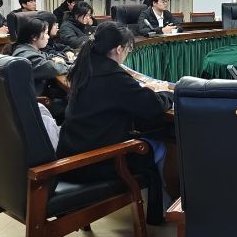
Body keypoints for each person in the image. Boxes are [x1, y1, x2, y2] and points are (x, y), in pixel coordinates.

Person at [57, 22, 173, 224]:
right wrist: (164, 92)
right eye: (128, 49)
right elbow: (152, 106)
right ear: (119, 49)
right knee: (158, 146)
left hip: (72, 151)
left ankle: (158, 203)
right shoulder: (113, 77)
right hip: (96, 163)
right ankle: (162, 207)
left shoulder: (85, 66)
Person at [9, 17, 69, 97]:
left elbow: (49, 56)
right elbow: (54, 69)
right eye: (46, 33)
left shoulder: (29, 49)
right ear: (34, 37)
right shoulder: (28, 56)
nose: (48, 37)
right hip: (36, 100)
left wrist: (59, 59)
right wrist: (61, 63)